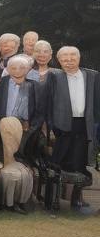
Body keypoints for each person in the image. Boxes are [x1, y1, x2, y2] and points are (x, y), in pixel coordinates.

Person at [41, 46, 100, 213]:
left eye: (72, 56)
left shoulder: (92, 75)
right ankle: (51, 203)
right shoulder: (54, 76)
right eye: (64, 57)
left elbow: (97, 104)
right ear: (59, 61)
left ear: (79, 58)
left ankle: (76, 200)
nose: (69, 60)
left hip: (84, 125)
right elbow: (47, 102)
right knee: (56, 165)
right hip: (61, 126)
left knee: (79, 164)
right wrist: (47, 124)